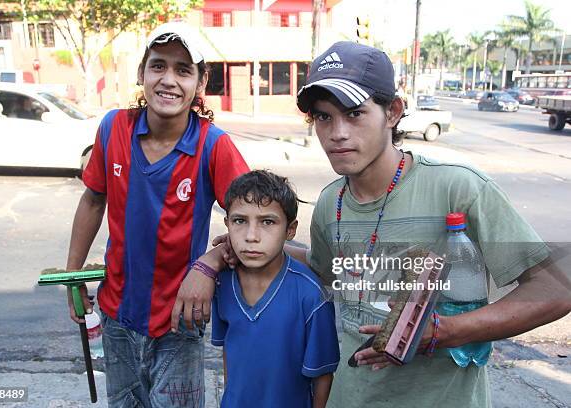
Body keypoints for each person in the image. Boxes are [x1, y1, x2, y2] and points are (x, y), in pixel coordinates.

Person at [280, 41, 569, 408]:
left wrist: (443, 332)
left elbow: (556, 289)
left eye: (354, 113)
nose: (337, 132)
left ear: (393, 112)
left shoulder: (458, 188)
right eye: (323, 117)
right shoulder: (329, 202)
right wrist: (243, 249)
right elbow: (326, 271)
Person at [65, 22, 249, 407]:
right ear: (141, 74)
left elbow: (254, 219)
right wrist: (73, 276)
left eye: (183, 70)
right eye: (158, 66)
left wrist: (209, 263)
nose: (168, 80)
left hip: (181, 319)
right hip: (117, 313)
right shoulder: (113, 128)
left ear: (200, 83)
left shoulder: (213, 145)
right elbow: (93, 199)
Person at [210, 170, 339, 408]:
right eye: (240, 221)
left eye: (267, 222)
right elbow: (229, 350)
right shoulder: (222, 283)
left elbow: (322, 375)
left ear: (290, 230)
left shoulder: (311, 296)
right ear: (227, 223)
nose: (251, 236)